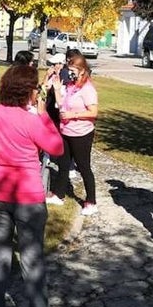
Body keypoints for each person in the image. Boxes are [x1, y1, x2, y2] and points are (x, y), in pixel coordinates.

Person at [0, 64, 65, 307]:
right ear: (29, 91)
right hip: (27, 194)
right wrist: (44, 115)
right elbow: (57, 147)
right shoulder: (31, 120)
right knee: (32, 258)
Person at [46, 55, 100, 215]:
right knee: (63, 164)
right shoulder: (70, 86)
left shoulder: (88, 89)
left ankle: (91, 202)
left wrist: (74, 115)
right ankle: (59, 194)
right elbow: (61, 105)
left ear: (82, 71)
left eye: (72, 70)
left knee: (83, 167)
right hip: (66, 131)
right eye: (68, 70)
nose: (70, 73)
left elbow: (93, 112)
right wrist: (57, 89)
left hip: (81, 133)